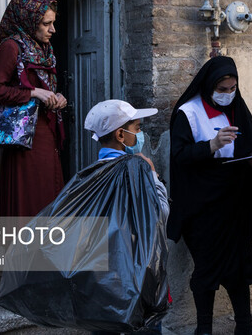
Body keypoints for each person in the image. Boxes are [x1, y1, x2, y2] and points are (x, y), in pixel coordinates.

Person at [168, 56, 252, 335]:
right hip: (202, 205)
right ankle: (204, 328)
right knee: (207, 268)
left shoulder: (237, 108)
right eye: (222, 89)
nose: (227, 95)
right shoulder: (189, 113)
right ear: (209, 85)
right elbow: (180, 155)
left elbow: (250, 141)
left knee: (238, 268)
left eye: (232, 88)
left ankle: (245, 326)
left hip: (235, 202)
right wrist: (211, 145)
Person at [84, 99, 169, 335]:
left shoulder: (92, 172)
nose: (139, 135)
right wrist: (154, 176)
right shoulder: (137, 171)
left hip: (103, 276)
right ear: (121, 135)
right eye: (138, 128)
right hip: (136, 271)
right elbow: (159, 215)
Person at [0, 0, 67, 217]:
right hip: (24, 139)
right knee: (30, 200)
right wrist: (34, 93)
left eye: (53, 23)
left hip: (46, 135)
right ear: (28, 21)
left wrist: (56, 97)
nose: (53, 30)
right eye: (46, 24)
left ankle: (44, 250)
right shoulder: (12, 47)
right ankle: (25, 251)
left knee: (48, 197)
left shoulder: (44, 49)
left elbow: (44, 90)